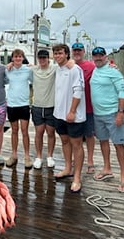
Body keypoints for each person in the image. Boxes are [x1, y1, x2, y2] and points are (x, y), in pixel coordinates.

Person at [90, 46, 124, 193]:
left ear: (105, 57)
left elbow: (123, 92)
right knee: (103, 141)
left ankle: (123, 176)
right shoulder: (95, 70)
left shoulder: (114, 71)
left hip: (113, 113)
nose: (98, 58)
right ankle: (107, 168)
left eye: (101, 55)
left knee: (119, 144)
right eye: (95, 56)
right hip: (97, 114)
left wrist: (120, 112)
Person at [52, 44, 86, 193]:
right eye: (55, 54)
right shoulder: (58, 69)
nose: (57, 56)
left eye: (60, 53)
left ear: (67, 54)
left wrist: (72, 111)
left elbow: (78, 90)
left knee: (77, 144)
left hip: (74, 116)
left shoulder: (74, 69)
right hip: (59, 114)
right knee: (65, 141)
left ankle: (77, 177)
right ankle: (68, 168)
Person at [5, 49, 33, 169]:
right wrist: (8, 66)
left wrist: (33, 66)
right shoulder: (8, 70)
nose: (17, 58)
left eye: (20, 56)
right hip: (11, 104)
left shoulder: (28, 70)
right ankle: (14, 155)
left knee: (25, 131)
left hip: (24, 104)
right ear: (12, 58)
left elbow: (35, 80)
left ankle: (27, 157)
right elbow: (3, 79)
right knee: (14, 131)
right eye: (15, 56)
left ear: (23, 58)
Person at [71, 42, 95, 174]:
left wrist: (112, 67)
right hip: (73, 107)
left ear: (83, 51)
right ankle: (76, 158)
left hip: (89, 107)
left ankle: (90, 161)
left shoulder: (91, 66)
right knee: (75, 136)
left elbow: (103, 69)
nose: (77, 53)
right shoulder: (69, 66)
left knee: (89, 135)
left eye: (79, 50)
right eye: (75, 50)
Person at [32, 49, 57, 169]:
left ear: (48, 58)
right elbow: (18, 67)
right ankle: (38, 157)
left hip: (51, 107)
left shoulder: (54, 69)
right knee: (39, 133)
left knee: (51, 133)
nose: (42, 60)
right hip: (37, 106)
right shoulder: (33, 69)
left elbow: (68, 64)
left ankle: (50, 156)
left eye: (44, 58)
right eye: (40, 58)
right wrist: (10, 64)